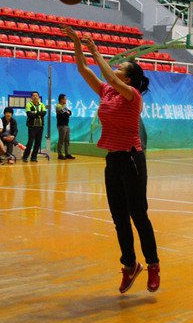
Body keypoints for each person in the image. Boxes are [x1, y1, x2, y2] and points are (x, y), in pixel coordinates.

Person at [62, 25, 160, 293]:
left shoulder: (132, 95)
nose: (116, 69)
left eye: (121, 67)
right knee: (119, 218)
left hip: (132, 159)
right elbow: (84, 70)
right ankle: (130, 265)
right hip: (113, 161)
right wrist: (78, 44)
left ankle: (153, 264)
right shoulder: (107, 91)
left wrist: (96, 51)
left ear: (128, 78)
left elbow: (111, 78)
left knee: (138, 215)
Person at [22, 92, 46, 163]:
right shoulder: (29, 104)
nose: (35, 97)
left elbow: (44, 113)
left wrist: (35, 113)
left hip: (40, 126)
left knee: (38, 143)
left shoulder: (41, 104)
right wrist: (39, 113)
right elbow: (29, 114)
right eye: (33, 96)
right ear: (31, 97)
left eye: (36, 95)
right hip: (32, 127)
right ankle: (25, 156)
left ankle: (34, 157)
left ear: (38, 97)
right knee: (30, 142)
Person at [56, 93, 75, 160]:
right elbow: (64, 114)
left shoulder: (64, 106)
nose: (66, 100)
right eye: (65, 99)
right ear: (61, 100)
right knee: (61, 140)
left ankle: (67, 154)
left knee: (67, 140)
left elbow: (70, 112)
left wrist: (68, 113)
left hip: (66, 125)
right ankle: (60, 154)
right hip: (61, 125)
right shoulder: (58, 106)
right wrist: (67, 113)